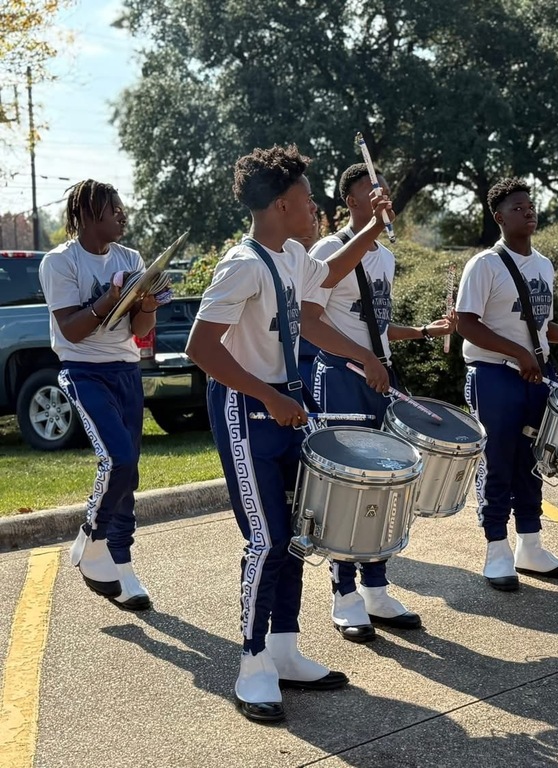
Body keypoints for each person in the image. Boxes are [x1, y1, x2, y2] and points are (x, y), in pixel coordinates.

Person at [186, 144, 391, 723]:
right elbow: (200, 349)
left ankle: (285, 648)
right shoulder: (242, 264)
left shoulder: (293, 254)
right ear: (279, 204)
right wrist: (269, 394)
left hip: (286, 409)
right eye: (306, 200)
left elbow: (331, 274)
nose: (314, 209)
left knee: (298, 533)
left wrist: (375, 226)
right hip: (247, 412)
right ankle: (252, 663)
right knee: (266, 540)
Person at [303, 162, 452, 642]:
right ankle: (343, 593)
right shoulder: (329, 250)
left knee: (385, 485)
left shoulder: (384, 257)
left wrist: (425, 331)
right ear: (350, 200)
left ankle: (376, 587)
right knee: (347, 486)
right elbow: (310, 320)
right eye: (371, 190)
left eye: (383, 188)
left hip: (376, 378)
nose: (382, 194)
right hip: (343, 380)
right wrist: (365, 358)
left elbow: (376, 325)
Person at [455, 177, 558, 591]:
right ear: (498, 217)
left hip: (535, 377)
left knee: (533, 462)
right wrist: (516, 353)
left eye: (530, 205)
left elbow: (541, 329)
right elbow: (466, 325)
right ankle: (496, 549)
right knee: (498, 463)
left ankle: (530, 544)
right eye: (517, 207)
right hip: (493, 376)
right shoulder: (485, 265)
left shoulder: (543, 264)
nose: (528, 211)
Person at [39, 179, 169, 611]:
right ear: (91, 213)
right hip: (84, 371)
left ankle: (122, 564)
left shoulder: (130, 257)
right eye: (114, 209)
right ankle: (93, 537)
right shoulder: (60, 262)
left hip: (126, 371)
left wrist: (147, 302)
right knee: (119, 459)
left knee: (128, 476)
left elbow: (139, 330)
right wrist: (110, 298)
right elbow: (72, 331)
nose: (122, 216)